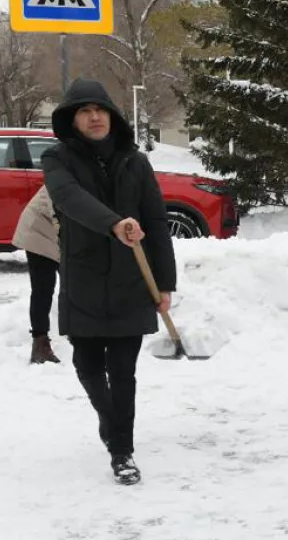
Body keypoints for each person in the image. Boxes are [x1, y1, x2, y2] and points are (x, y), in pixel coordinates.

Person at [41, 79, 177, 486]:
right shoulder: (57, 159)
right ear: (72, 119)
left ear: (112, 115)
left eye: (99, 109)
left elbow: (155, 220)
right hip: (83, 275)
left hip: (131, 279)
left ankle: (122, 450)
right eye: (84, 111)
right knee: (86, 365)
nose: (94, 116)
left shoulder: (135, 161)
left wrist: (165, 283)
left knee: (123, 371)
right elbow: (67, 198)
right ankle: (110, 426)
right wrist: (113, 223)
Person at [11, 185, 62, 364]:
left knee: (73, 286)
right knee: (43, 288)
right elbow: (60, 212)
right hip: (38, 231)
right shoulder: (65, 173)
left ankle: (76, 334)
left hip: (53, 232)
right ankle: (40, 344)